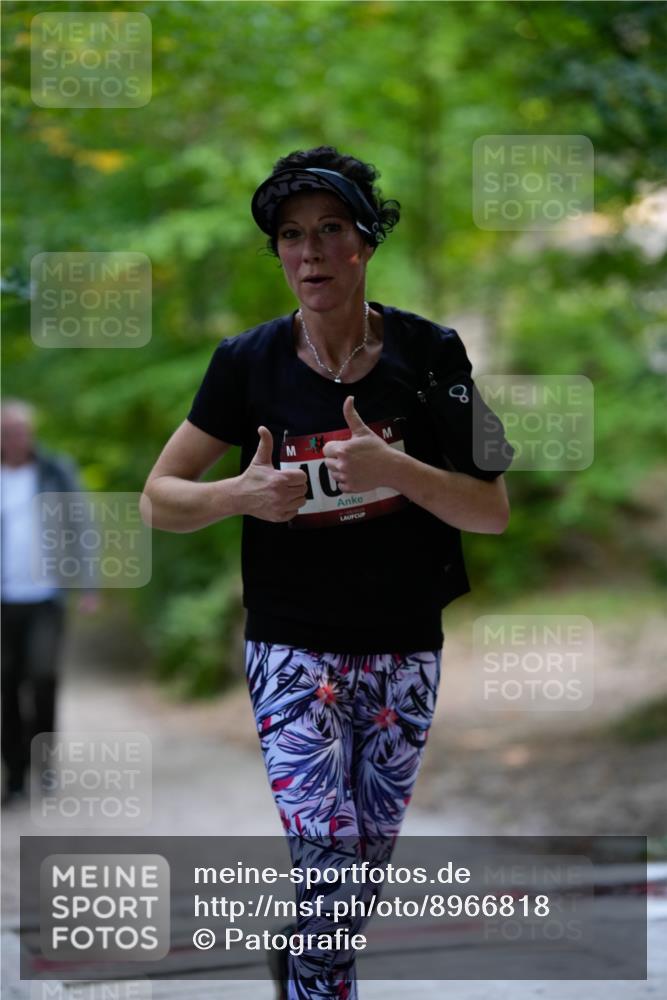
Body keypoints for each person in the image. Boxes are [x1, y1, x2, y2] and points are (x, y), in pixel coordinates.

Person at [140, 146, 513, 999]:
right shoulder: (246, 364)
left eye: (330, 230)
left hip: (403, 648)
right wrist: (239, 494)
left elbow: (490, 509)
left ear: (364, 242)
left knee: (354, 879)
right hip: (291, 649)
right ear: (277, 253)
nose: (309, 252)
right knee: (332, 864)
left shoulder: (431, 354)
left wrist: (399, 470)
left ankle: (300, 958)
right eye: (291, 236)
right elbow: (158, 499)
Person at [0, 399, 99, 807]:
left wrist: (89, 585)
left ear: (31, 434)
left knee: (42, 677)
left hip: (46, 597)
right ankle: (16, 777)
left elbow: (81, 527)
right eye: (7, 433)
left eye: (20, 431)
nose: (15, 439)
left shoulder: (55, 471)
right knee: (6, 686)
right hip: (4, 601)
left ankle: (45, 759)